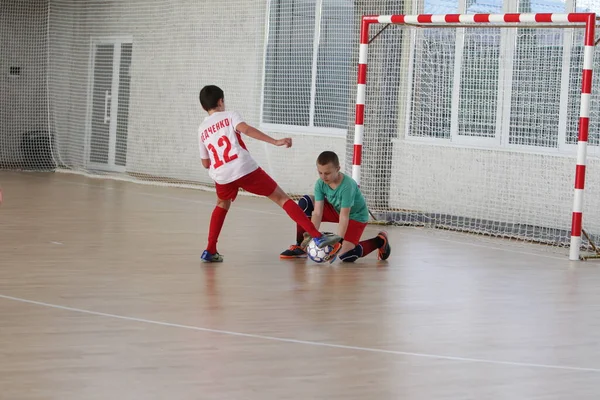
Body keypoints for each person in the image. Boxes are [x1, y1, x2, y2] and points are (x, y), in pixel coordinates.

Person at [197, 85, 341, 262]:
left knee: (221, 204)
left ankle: (210, 250)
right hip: (243, 167)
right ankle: (318, 237)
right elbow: (247, 130)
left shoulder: (202, 128)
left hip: (221, 175)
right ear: (221, 101)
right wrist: (275, 141)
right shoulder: (230, 115)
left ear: (204, 107)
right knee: (281, 198)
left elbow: (205, 163)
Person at [280, 151, 391, 263]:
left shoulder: (347, 186)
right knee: (306, 202)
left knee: (346, 256)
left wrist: (338, 242)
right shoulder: (320, 183)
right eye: (320, 173)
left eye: (327, 173)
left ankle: (380, 241)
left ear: (338, 169)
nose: (323, 177)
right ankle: (301, 247)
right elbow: (317, 213)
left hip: (355, 216)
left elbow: (344, 216)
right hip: (336, 210)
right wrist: (312, 235)